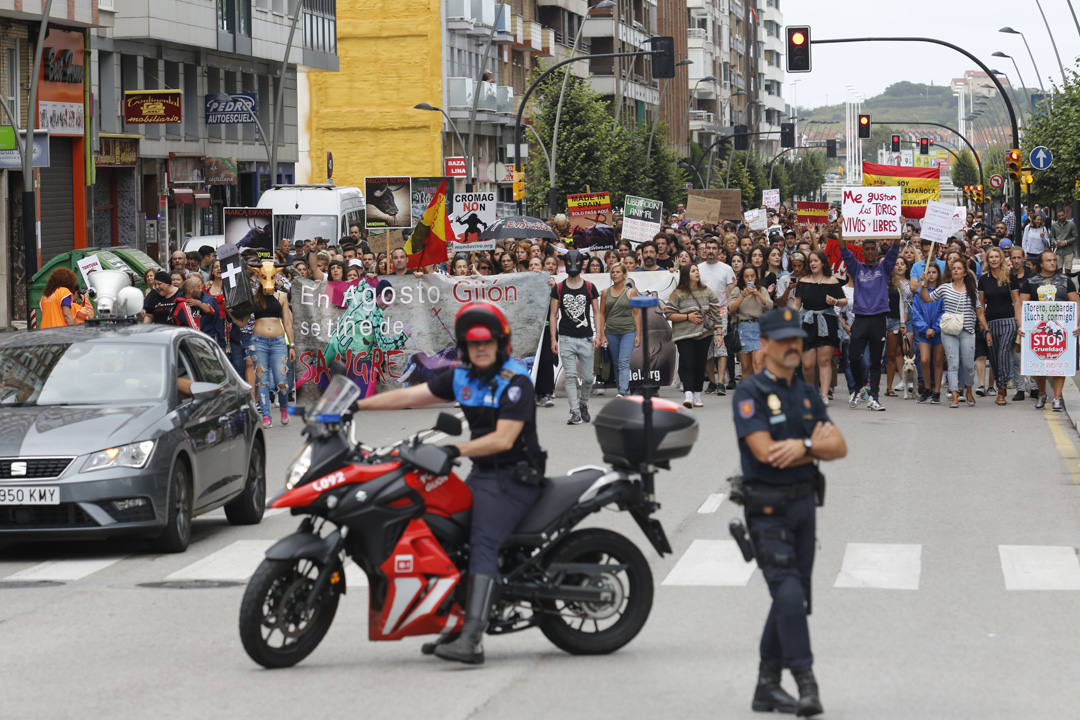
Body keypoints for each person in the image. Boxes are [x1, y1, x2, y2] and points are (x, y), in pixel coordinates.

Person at [355, 303, 544, 665]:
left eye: (488, 343)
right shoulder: (463, 377)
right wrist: (358, 406)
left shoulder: (515, 381)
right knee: (441, 531)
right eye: (474, 345)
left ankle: (471, 638)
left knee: (482, 541)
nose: (481, 349)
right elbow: (411, 395)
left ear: (501, 343)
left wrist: (455, 449)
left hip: (515, 476)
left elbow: (503, 440)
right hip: (484, 474)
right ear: (464, 347)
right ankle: (455, 621)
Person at [731, 307, 847, 717]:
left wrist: (806, 447)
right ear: (764, 346)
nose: (794, 345)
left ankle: (766, 687)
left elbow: (839, 447)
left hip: (803, 506)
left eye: (797, 338)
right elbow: (764, 453)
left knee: (792, 598)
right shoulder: (750, 393)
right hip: (767, 508)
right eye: (784, 340)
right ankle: (805, 681)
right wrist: (811, 446)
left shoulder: (807, 393)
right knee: (790, 595)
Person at [915, 257, 991, 408]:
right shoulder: (945, 288)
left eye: (959, 268)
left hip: (967, 330)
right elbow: (927, 299)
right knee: (953, 363)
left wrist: (986, 330)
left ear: (964, 272)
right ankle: (955, 394)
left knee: (969, 364)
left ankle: (969, 389)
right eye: (953, 268)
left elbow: (980, 312)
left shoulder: (972, 290)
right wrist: (923, 284)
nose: (955, 270)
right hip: (949, 330)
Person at [839, 235, 900, 411]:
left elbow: (895, 250)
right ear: (863, 252)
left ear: (877, 250)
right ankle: (860, 387)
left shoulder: (884, 268)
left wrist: (899, 228)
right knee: (853, 357)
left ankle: (874, 397)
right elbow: (843, 249)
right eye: (868, 249)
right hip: (861, 319)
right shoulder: (857, 268)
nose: (871, 252)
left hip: (879, 319)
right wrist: (842, 228)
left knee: (875, 361)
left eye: (874, 249)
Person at [1014, 250, 1080, 411]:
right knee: (1039, 364)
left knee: (1060, 363)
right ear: (1041, 264)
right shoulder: (1030, 282)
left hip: (1061, 331)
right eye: (1048, 260)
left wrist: (1077, 324)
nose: (1052, 263)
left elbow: (1076, 303)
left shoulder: (1066, 281)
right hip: (1038, 331)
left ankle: (1057, 397)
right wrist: (1021, 325)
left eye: (1054, 260)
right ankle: (1042, 393)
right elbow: (1021, 305)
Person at [549, 249, 601, 425]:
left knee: (587, 378)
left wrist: (599, 334)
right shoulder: (559, 288)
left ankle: (583, 403)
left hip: (586, 337)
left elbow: (597, 311)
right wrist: (553, 339)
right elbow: (553, 314)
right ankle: (575, 412)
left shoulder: (589, 287)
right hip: (566, 338)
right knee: (570, 376)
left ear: (582, 263)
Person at [792, 250, 846, 403]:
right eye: (811, 261)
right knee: (808, 364)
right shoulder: (803, 280)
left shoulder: (832, 280)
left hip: (826, 321)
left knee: (824, 361)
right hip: (807, 322)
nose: (813, 264)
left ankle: (823, 395)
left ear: (822, 263)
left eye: (816, 261)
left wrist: (834, 302)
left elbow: (844, 301)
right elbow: (797, 303)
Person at [665, 264, 723, 408]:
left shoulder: (707, 291)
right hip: (684, 335)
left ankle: (697, 393)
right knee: (688, 363)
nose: (697, 273)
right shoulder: (677, 293)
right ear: (686, 274)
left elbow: (716, 312)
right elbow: (668, 313)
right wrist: (687, 316)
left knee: (699, 365)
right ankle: (688, 394)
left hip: (704, 334)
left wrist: (719, 333)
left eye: (697, 270)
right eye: (693, 271)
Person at [249, 267, 296, 427]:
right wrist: (232, 313)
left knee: (282, 381)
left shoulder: (282, 296)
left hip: (278, 342)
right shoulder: (254, 297)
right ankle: (266, 416)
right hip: (258, 342)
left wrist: (292, 345)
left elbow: (288, 323)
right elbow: (242, 320)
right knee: (262, 381)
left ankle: (283, 408)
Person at [978, 247, 1018, 406]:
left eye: (996, 257)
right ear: (987, 260)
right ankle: (999, 384)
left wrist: (1018, 321)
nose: (994, 259)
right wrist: (985, 328)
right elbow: (980, 307)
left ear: (1001, 258)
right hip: (991, 322)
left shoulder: (1009, 276)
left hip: (1008, 321)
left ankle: (1001, 390)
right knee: (994, 359)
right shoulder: (983, 280)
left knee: (1002, 354)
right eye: (991, 257)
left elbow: (1016, 301)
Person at [698, 238, 736, 396]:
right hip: (702, 314)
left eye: (714, 248)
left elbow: (732, 284)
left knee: (720, 348)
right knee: (707, 350)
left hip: (720, 313)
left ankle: (721, 382)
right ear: (704, 250)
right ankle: (712, 382)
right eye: (708, 248)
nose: (711, 251)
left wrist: (726, 299)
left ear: (720, 250)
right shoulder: (698, 268)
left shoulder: (726, 269)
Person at [596, 262, 640, 398]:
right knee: (615, 361)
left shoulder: (631, 292)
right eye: (612, 272)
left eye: (617, 272)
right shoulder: (605, 293)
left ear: (625, 275)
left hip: (628, 331)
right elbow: (601, 314)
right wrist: (602, 334)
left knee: (623, 361)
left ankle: (622, 390)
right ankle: (621, 387)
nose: (614, 274)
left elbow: (637, 314)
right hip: (611, 332)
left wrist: (638, 334)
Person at [729, 265, 774, 377]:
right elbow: (731, 309)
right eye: (746, 276)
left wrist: (757, 294)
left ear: (756, 277)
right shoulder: (737, 290)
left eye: (752, 276)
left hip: (759, 327)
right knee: (746, 367)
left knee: (758, 363)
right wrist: (742, 296)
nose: (749, 279)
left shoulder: (762, 290)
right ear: (742, 278)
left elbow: (770, 306)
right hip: (743, 328)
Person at [911, 261, 945, 403]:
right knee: (924, 360)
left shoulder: (942, 291)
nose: (931, 275)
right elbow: (916, 313)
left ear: (938, 274)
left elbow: (944, 311)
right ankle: (926, 388)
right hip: (924, 332)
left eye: (934, 272)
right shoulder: (919, 292)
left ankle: (936, 391)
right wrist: (925, 328)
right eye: (928, 272)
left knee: (937, 361)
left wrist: (935, 328)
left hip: (938, 332)